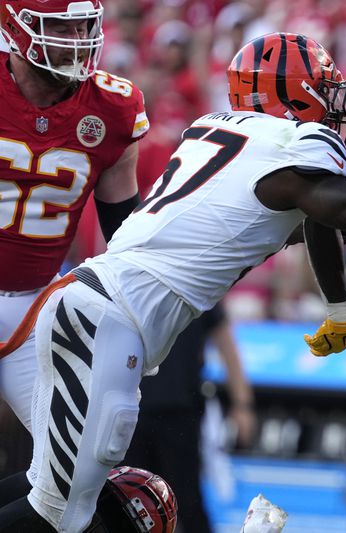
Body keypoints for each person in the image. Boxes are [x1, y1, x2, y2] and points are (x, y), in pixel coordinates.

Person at [0, 31, 346, 533]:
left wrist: (338, 308)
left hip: (95, 308)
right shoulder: (292, 148)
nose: (335, 104)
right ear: (290, 97)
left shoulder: (221, 133)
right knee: (73, 509)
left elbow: (319, 218)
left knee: (83, 495)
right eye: (322, 88)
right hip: (107, 318)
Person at [0, 0, 150, 524]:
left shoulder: (113, 106)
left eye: (82, 26)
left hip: (36, 307)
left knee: (81, 475)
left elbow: (123, 228)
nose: (75, 39)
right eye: (58, 27)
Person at [123, 304, 255, 533]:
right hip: (130, 412)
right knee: (129, 502)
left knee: (187, 499)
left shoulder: (194, 278)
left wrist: (242, 404)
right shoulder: (128, 278)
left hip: (180, 412)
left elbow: (225, 341)